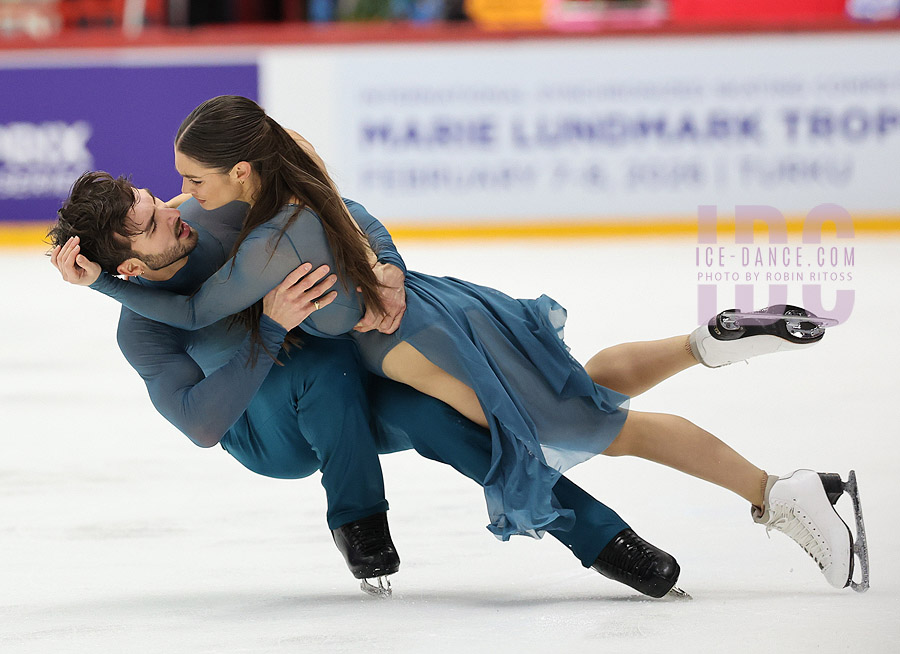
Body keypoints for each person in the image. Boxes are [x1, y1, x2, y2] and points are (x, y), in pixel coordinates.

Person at [53, 95, 866, 592]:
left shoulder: (262, 241)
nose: (178, 200)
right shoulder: (292, 195)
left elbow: (197, 317)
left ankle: (780, 490)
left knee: (586, 426)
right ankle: (704, 344)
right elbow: (339, 221)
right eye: (164, 201)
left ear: (238, 173)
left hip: (414, 338)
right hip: (436, 317)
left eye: (187, 186)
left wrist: (103, 284)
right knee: (580, 396)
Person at [49, 173, 690, 599]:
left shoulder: (209, 212)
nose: (173, 210)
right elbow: (202, 426)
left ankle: (604, 538)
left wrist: (385, 264)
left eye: (154, 199)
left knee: (443, 418)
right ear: (129, 268)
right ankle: (357, 516)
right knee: (310, 367)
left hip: (349, 390)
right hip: (272, 435)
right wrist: (269, 331)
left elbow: (335, 210)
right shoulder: (142, 332)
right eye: (154, 222)